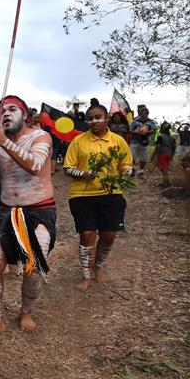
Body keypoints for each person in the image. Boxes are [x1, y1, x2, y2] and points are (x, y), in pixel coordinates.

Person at [0, 95, 55, 335]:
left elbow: (35, 165)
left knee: (33, 267)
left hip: (38, 211)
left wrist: (4, 143)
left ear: (25, 115)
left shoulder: (40, 137)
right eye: (1, 111)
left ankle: (26, 312)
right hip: (6, 211)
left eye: (12, 109)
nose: (5, 114)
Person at [64, 104, 133, 291]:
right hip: (82, 195)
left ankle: (99, 266)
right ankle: (86, 275)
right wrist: (85, 174)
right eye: (90, 118)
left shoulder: (118, 141)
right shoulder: (78, 141)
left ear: (107, 118)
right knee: (87, 234)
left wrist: (124, 175)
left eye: (97, 117)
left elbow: (127, 165)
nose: (93, 121)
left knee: (109, 235)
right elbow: (67, 168)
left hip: (111, 194)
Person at [128, 105, 157, 179]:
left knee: (143, 158)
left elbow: (154, 130)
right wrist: (137, 131)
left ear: (148, 113)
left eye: (145, 113)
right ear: (140, 114)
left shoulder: (150, 122)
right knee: (132, 157)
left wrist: (147, 131)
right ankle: (132, 170)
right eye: (142, 113)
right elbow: (130, 130)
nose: (144, 114)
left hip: (144, 142)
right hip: (134, 142)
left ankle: (141, 171)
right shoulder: (135, 121)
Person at [152, 121, 177, 188]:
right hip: (169, 154)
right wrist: (172, 155)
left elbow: (158, 147)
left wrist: (153, 155)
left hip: (162, 154)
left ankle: (167, 184)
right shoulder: (172, 138)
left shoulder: (160, 137)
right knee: (164, 168)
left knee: (164, 169)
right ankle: (165, 182)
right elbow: (174, 147)